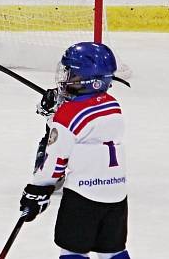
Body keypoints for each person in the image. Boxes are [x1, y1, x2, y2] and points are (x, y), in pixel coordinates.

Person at [18, 42, 131, 259]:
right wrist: (57, 112)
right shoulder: (113, 106)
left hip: (83, 197)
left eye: (72, 75)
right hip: (116, 197)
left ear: (90, 81)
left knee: (72, 250)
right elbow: (89, 131)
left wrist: (37, 189)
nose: (66, 78)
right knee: (112, 251)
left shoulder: (68, 115)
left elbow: (56, 159)